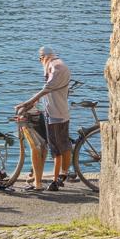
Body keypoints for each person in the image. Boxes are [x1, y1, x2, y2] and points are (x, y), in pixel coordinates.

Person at [16, 47, 71, 191]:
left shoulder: (55, 66)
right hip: (57, 112)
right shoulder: (57, 65)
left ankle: (55, 181)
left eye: (40, 59)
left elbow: (47, 88)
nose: (40, 62)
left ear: (43, 58)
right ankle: (60, 175)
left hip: (56, 115)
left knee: (56, 149)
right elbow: (49, 90)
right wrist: (35, 102)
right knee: (60, 145)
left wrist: (27, 103)